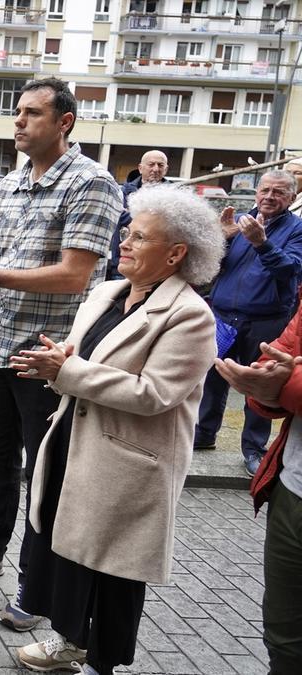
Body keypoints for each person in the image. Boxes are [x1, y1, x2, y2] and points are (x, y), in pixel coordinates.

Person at [0, 77, 122, 634]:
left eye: (32, 113)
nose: (18, 122)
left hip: (51, 356)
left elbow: (75, 274)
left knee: (46, 472)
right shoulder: (10, 183)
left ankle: (37, 591)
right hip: (1, 346)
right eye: (16, 112)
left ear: (65, 122)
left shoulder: (93, 183)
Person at [9, 187, 223, 674]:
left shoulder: (190, 315)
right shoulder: (108, 291)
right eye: (127, 232)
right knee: (71, 551)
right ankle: (68, 641)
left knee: (113, 571)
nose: (124, 242)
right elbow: (81, 352)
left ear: (175, 254)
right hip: (77, 441)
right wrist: (57, 356)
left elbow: (155, 393)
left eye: (140, 236)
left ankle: (101, 661)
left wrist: (66, 372)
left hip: (130, 462)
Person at [194, 169, 302, 476]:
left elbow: (290, 270)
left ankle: (254, 449)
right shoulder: (238, 222)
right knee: (214, 378)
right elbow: (209, 268)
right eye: (265, 190)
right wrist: (219, 239)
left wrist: (262, 243)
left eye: (278, 192)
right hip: (224, 316)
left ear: (291, 198)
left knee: (259, 383)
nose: (269, 196)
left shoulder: (297, 229)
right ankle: (203, 434)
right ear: (256, 192)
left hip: (267, 321)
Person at [217, 310, 302, 674]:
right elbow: (276, 356)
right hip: (293, 490)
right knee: (284, 640)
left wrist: (289, 383)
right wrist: (264, 385)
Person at [108, 150, 169, 279]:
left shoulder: (174, 196)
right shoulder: (123, 192)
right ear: (140, 168)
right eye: (151, 164)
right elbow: (119, 217)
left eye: (160, 165)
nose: (156, 169)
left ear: (166, 169)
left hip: (157, 266)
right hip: (123, 263)